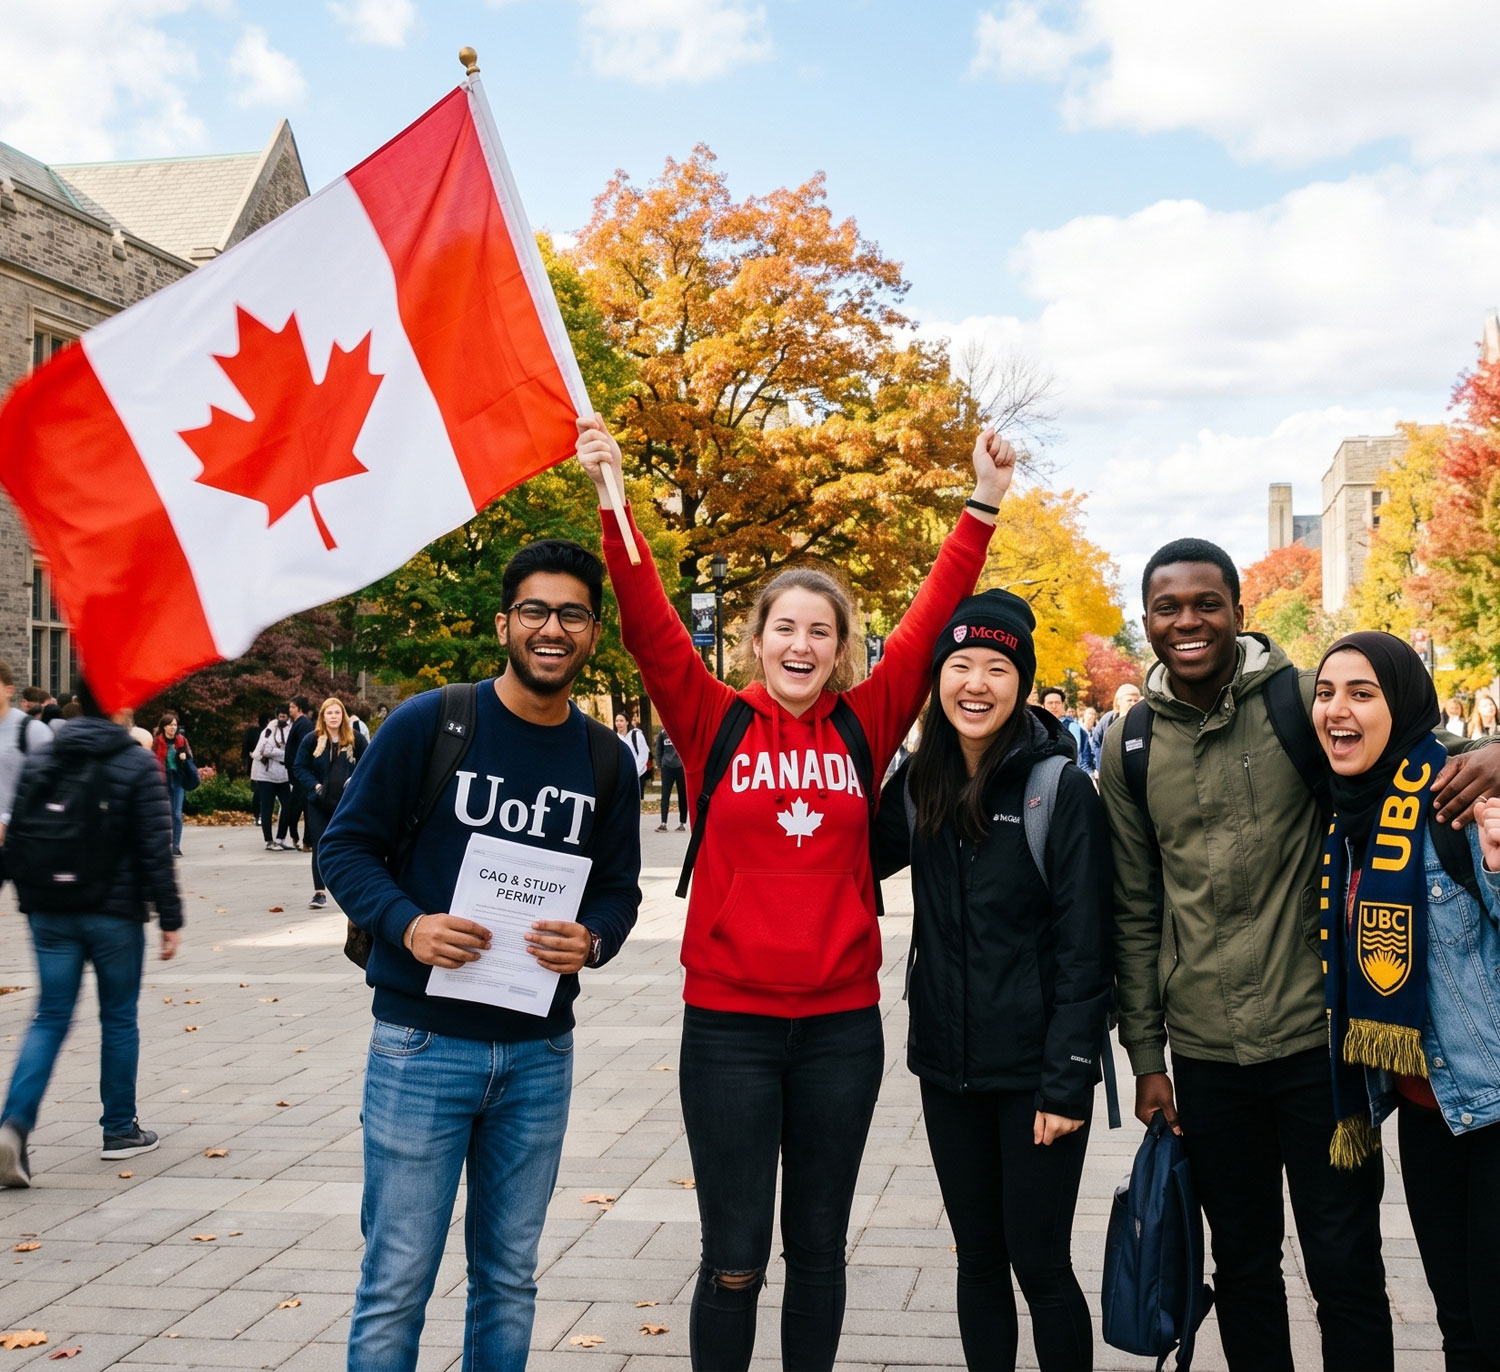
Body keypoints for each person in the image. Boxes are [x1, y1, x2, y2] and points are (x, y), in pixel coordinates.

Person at [578, 413, 1011, 1372]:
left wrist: (980, 503)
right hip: (728, 1029)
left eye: (823, 631)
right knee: (733, 1261)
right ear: (756, 642)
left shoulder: (867, 721)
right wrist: (617, 503)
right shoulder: (711, 721)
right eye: (786, 628)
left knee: (817, 1254)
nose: (803, 644)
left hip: (840, 1032)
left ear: (844, 647)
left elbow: (937, 611)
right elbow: (649, 622)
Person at [1100, 537, 1500, 1372]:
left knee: (1345, 1267)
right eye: (1168, 607)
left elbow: (1413, 755)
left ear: (1239, 612)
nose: (1189, 621)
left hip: (1318, 1045)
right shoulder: (1129, 744)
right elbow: (1135, 909)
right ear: (1146, 623)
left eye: (1207, 603)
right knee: (1242, 1270)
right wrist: (1146, 1056)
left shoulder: (1298, 704)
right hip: (1206, 1055)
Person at [320, 538, 642, 1372]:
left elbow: (619, 891)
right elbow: (345, 849)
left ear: (593, 635)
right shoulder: (432, 721)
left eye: (572, 614)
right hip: (421, 1047)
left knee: (508, 1279)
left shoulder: (606, 759)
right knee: (396, 1281)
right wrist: (409, 926)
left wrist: (594, 939)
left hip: (539, 1056)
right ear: (505, 623)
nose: (551, 628)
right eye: (534, 610)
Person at [875, 590, 1112, 1372]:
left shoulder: (1058, 790)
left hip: (1037, 1075)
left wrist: (1067, 1081)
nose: (976, 683)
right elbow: (840, 859)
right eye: (960, 665)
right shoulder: (918, 786)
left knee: (1040, 1266)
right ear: (938, 678)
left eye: (997, 668)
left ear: (1021, 682)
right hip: (947, 1068)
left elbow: (1087, 947)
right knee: (976, 1260)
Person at [1312, 632, 1500, 1371]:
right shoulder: (1349, 818)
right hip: (1428, 1118)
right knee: (1459, 1328)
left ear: (1407, 705)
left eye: (1364, 693)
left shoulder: (1457, 799)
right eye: (1327, 693)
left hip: (1492, 1111)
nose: (1338, 709)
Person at [0, 681, 182, 1186]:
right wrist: (170, 918)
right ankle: (119, 1129)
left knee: (50, 1016)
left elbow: (18, 836)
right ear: (120, 706)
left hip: (49, 911)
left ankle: (13, 1124)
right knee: (118, 1018)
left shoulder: (43, 755)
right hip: (114, 913)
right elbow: (154, 848)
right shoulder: (135, 763)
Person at [293, 697, 367, 911]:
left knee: (350, 844)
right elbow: (299, 767)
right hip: (319, 802)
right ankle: (319, 892)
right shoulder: (312, 740)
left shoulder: (356, 740)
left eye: (337, 713)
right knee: (320, 845)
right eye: (329, 713)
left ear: (343, 715)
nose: (334, 717)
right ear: (322, 716)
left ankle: (353, 888)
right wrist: (314, 786)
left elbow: (369, 764)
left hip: (346, 803)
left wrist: (354, 780)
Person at [0, 660, 53, 890]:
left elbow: (51, 785)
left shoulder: (32, 730)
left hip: (25, 838)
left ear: (9, 690)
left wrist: (6, 819)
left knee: (38, 912)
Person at [251, 708, 293, 851]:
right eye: (280, 716)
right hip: (266, 774)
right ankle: (268, 840)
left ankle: (280, 837)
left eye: (285, 716)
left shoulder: (291, 729)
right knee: (267, 808)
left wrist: (282, 754)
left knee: (288, 806)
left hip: (283, 774)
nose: (283, 718)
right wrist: (285, 754)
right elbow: (265, 751)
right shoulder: (269, 730)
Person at [152, 713, 192, 858]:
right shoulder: (157, 741)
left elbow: (190, 757)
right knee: (166, 814)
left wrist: (184, 757)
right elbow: (152, 760)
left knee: (176, 814)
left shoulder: (182, 740)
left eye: (175, 725)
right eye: (170, 725)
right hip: (163, 779)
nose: (173, 727)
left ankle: (175, 846)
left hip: (178, 778)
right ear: (164, 727)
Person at [283, 696, 313, 851]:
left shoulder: (305, 724)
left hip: (302, 773)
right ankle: (297, 836)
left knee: (301, 806)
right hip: (296, 773)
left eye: (292, 707)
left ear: (300, 708)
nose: (290, 710)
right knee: (295, 806)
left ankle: (305, 840)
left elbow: (304, 747)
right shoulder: (298, 723)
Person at [1038, 687, 1084, 762]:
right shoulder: (1036, 726)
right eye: (1050, 703)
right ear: (1043, 706)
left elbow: (1075, 751)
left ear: (1063, 705)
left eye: (1057, 703)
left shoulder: (1072, 726)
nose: (1054, 706)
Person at [656, 726, 687, 832]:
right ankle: (663, 823)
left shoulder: (681, 732)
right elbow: (659, 750)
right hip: (667, 767)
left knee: (682, 795)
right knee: (665, 795)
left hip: (680, 767)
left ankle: (682, 823)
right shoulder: (662, 733)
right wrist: (660, 765)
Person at [617, 712, 649, 796]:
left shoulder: (636, 735)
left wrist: (634, 771)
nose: (619, 723)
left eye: (621, 721)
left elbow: (643, 754)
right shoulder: (615, 737)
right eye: (617, 721)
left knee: (636, 801)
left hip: (637, 774)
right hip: (622, 776)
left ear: (627, 722)